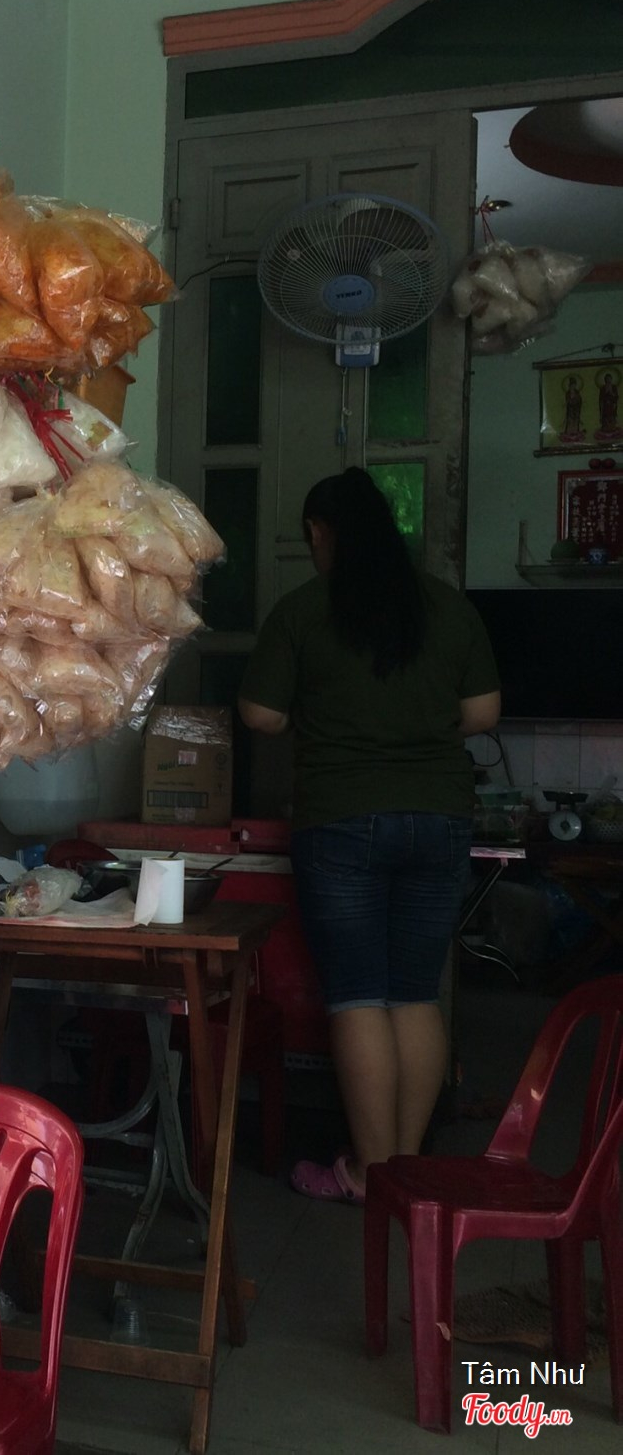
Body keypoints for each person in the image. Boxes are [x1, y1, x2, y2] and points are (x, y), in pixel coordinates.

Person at [237, 468, 500, 1203]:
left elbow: (259, 714)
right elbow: (483, 712)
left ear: (320, 532)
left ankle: (366, 1171)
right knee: (414, 995)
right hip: (439, 818)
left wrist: (312, 718)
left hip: (342, 819)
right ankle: (404, 1170)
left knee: (357, 998)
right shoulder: (446, 607)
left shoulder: (303, 610)